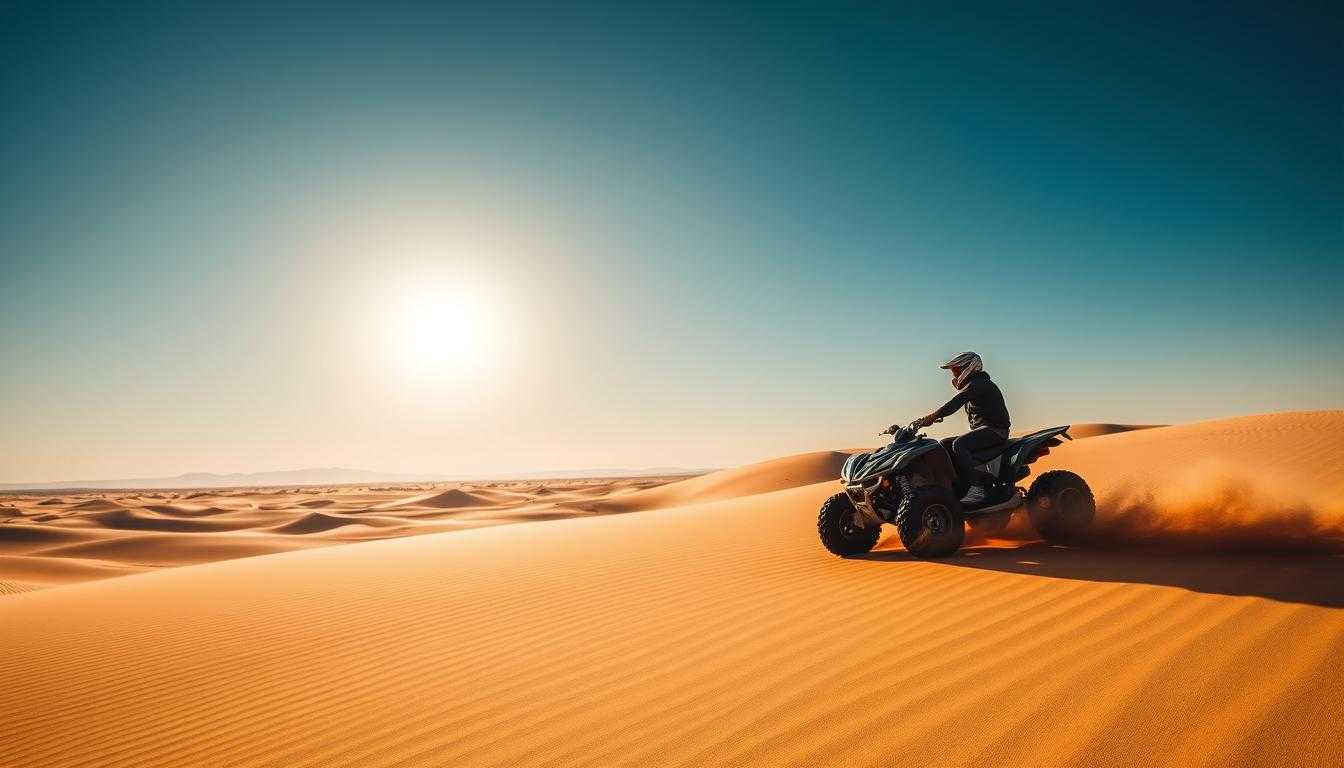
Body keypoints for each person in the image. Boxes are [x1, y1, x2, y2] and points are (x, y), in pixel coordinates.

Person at [913, 352, 1012, 504]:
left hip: (995, 430)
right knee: (944, 444)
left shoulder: (979, 383)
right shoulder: (973, 385)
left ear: (969, 367)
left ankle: (978, 489)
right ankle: (957, 488)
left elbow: (956, 402)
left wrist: (932, 416)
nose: (954, 374)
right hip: (984, 431)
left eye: (956, 370)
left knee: (959, 444)